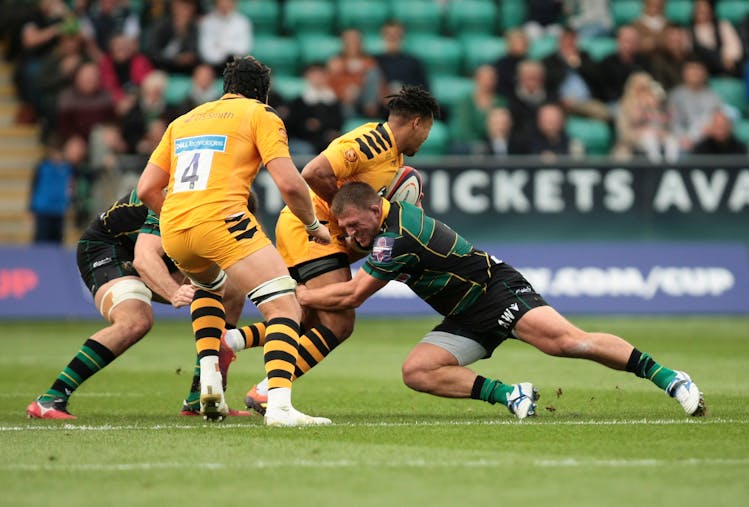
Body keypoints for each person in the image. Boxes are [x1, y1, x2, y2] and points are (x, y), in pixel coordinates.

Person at [295, 182, 707, 419]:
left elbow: (353, 294)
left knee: (566, 343)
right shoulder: (387, 220)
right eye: (345, 230)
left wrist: (302, 293)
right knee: (418, 371)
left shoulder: (397, 237)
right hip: (465, 314)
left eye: (354, 226)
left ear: (373, 208)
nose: (352, 237)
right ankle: (512, 394)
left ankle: (669, 377)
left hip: (494, 291)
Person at [137, 55, 332, 426]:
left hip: (175, 227)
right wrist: (311, 225)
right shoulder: (261, 114)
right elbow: (290, 183)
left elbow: (147, 187)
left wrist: (180, 217)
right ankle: (279, 407)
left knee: (209, 289)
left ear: (226, 87)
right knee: (285, 306)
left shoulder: (184, 121)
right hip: (222, 220)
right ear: (264, 92)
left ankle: (210, 385)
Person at [241, 85, 439, 415]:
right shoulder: (371, 143)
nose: (426, 140)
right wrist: (343, 217)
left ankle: (232, 342)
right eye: (428, 131)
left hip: (315, 231)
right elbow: (314, 172)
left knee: (312, 317)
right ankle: (267, 391)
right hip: (311, 229)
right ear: (417, 122)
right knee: (340, 321)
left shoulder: (395, 157)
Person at [26, 188, 251, 419]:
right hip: (108, 247)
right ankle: (51, 399)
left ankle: (201, 396)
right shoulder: (178, 200)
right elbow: (144, 259)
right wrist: (174, 292)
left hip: (159, 250)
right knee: (136, 320)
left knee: (232, 291)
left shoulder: (221, 197)